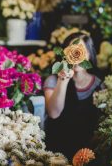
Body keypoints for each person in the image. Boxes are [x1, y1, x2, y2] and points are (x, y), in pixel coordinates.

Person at [43, 32, 104, 160]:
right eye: (72, 50)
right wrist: (63, 78)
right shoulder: (53, 80)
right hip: (57, 152)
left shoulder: (99, 84)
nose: (76, 54)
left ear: (89, 55)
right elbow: (53, 113)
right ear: (64, 54)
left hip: (88, 152)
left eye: (81, 50)